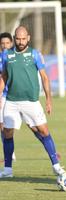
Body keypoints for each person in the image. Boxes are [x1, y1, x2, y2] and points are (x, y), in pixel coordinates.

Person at [0, 26, 66, 178]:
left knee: (44, 131)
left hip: (31, 102)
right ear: (14, 38)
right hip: (11, 101)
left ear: (28, 38)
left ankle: (56, 166)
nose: (21, 41)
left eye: (23, 39)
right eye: (18, 39)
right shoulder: (6, 55)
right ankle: (8, 170)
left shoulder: (35, 54)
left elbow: (44, 77)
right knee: (7, 133)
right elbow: (3, 76)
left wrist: (49, 100)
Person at [0, 32, 16, 161]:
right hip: (3, 95)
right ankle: (10, 154)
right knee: (2, 125)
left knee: (34, 126)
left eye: (7, 43)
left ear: (11, 43)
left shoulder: (16, 57)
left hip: (16, 95)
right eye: (2, 43)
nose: (5, 46)